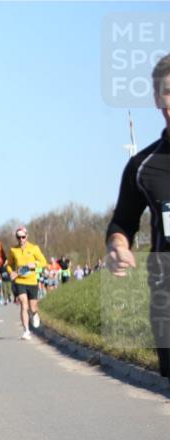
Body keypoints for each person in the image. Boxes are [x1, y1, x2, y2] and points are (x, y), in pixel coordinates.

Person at [106, 53, 170, 385]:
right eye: (169, 92)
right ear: (158, 98)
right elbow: (122, 223)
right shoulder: (142, 167)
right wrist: (118, 246)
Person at [5, 225, 48, 341]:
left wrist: (34, 265)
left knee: (32, 307)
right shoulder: (13, 250)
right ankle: (26, 331)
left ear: (27, 236)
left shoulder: (34, 248)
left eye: (23, 237)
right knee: (24, 305)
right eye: (18, 237)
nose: (21, 240)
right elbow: (9, 264)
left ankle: (34, 314)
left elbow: (44, 262)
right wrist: (11, 272)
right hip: (20, 281)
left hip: (32, 281)